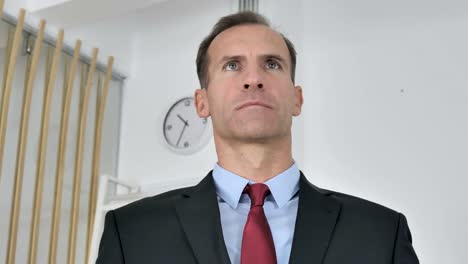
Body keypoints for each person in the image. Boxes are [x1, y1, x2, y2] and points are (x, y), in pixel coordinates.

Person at [96, 11, 419, 264]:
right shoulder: (133, 232)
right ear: (201, 102)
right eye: (233, 65)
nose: (253, 79)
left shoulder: (380, 232)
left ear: (297, 99)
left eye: (272, 64)